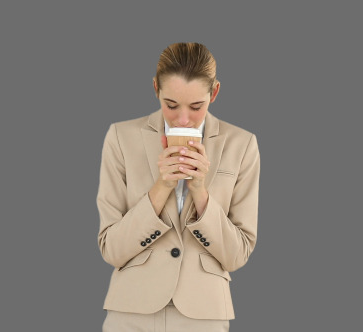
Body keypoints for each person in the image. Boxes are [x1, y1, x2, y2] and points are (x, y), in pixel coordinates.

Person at [97, 42, 261, 332]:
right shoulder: (121, 138)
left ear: (215, 93)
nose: (183, 119)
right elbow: (111, 249)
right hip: (132, 310)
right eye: (171, 105)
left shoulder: (242, 144)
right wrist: (162, 187)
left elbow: (237, 255)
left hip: (204, 313)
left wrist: (200, 192)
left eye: (196, 106)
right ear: (155, 89)